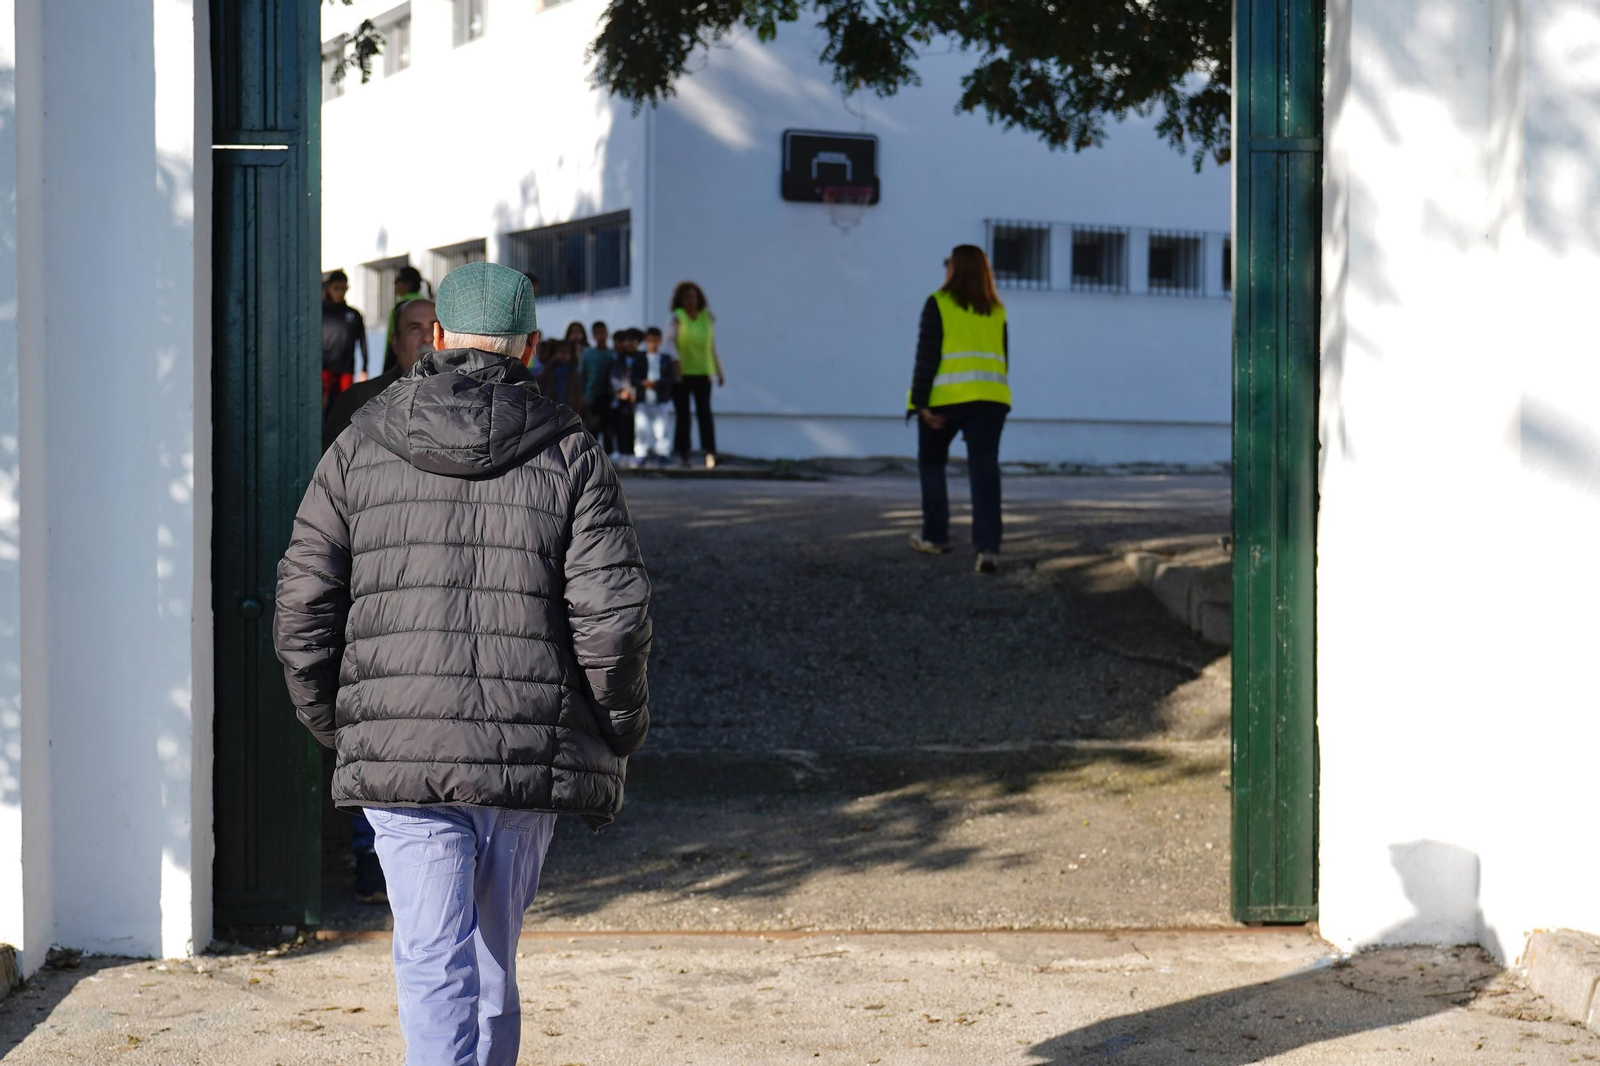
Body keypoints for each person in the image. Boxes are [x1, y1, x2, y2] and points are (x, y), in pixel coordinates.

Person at [274, 262, 651, 1066]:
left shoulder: (358, 444)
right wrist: (619, 727)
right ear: (531, 345)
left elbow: (303, 602)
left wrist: (333, 720)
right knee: (491, 962)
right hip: (525, 754)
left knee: (430, 958)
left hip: (402, 754)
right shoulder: (573, 452)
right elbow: (613, 619)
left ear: (436, 338)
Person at [906, 244, 1011, 574]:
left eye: (947, 263)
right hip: (991, 400)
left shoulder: (938, 303)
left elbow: (927, 356)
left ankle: (935, 537)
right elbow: (1003, 358)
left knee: (932, 462)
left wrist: (920, 403)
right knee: (984, 470)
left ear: (955, 268)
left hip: (946, 400)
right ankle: (988, 549)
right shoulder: (996, 310)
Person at [324, 297, 437, 450]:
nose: (429, 337)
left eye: (436, 327)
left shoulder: (468, 392)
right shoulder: (360, 402)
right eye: (415, 328)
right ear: (396, 342)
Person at [668, 281, 724, 469]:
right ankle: (684, 453)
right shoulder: (676, 317)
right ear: (680, 300)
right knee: (683, 414)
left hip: (703, 371)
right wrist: (676, 361)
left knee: (704, 413)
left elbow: (712, 346)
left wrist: (719, 370)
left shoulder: (706, 318)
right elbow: (669, 342)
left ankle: (710, 452)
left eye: (693, 297)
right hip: (682, 373)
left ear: (699, 299)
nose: (690, 301)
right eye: (686, 298)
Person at [321, 269, 369, 407]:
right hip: (324, 367)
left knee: (345, 405)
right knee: (321, 404)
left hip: (346, 368)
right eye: (336, 288)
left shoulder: (353, 314)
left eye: (343, 288)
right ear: (329, 288)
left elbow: (363, 342)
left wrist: (364, 368)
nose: (340, 292)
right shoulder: (320, 312)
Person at [629, 326, 677, 464]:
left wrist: (657, 383)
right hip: (643, 397)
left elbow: (670, 378)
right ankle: (641, 453)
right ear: (646, 341)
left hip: (660, 398)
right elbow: (633, 377)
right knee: (641, 427)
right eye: (650, 341)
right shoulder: (639, 358)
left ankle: (663, 452)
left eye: (656, 341)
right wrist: (642, 383)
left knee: (662, 428)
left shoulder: (665, 359)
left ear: (660, 341)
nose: (653, 344)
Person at [381, 264, 428, 375]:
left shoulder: (403, 306)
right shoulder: (425, 303)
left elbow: (396, 336)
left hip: (401, 361)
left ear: (407, 284)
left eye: (397, 280)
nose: (394, 284)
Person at [579, 320, 616, 453]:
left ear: (607, 334)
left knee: (608, 427)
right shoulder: (588, 354)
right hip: (592, 396)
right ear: (593, 336)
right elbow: (582, 375)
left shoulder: (612, 354)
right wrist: (583, 394)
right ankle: (592, 454)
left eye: (603, 333)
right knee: (592, 427)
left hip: (608, 396)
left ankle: (610, 454)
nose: (600, 336)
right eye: (597, 334)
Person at [607, 329, 641, 465]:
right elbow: (613, 377)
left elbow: (642, 376)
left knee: (637, 427)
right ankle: (623, 453)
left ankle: (635, 454)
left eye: (633, 341)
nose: (628, 344)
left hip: (638, 399)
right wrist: (620, 390)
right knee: (622, 426)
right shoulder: (618, 359)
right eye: (626, 341)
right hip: (622, 398)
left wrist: (636, 393)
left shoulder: (641, 357)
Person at [535, 337, 584, 411]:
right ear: (555, 353)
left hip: (569, 410)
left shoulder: (574, 372)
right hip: (550, 410)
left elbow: (578, 393)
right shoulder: (547, 371)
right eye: (562, 352)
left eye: (567, 352)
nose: (564, 355)